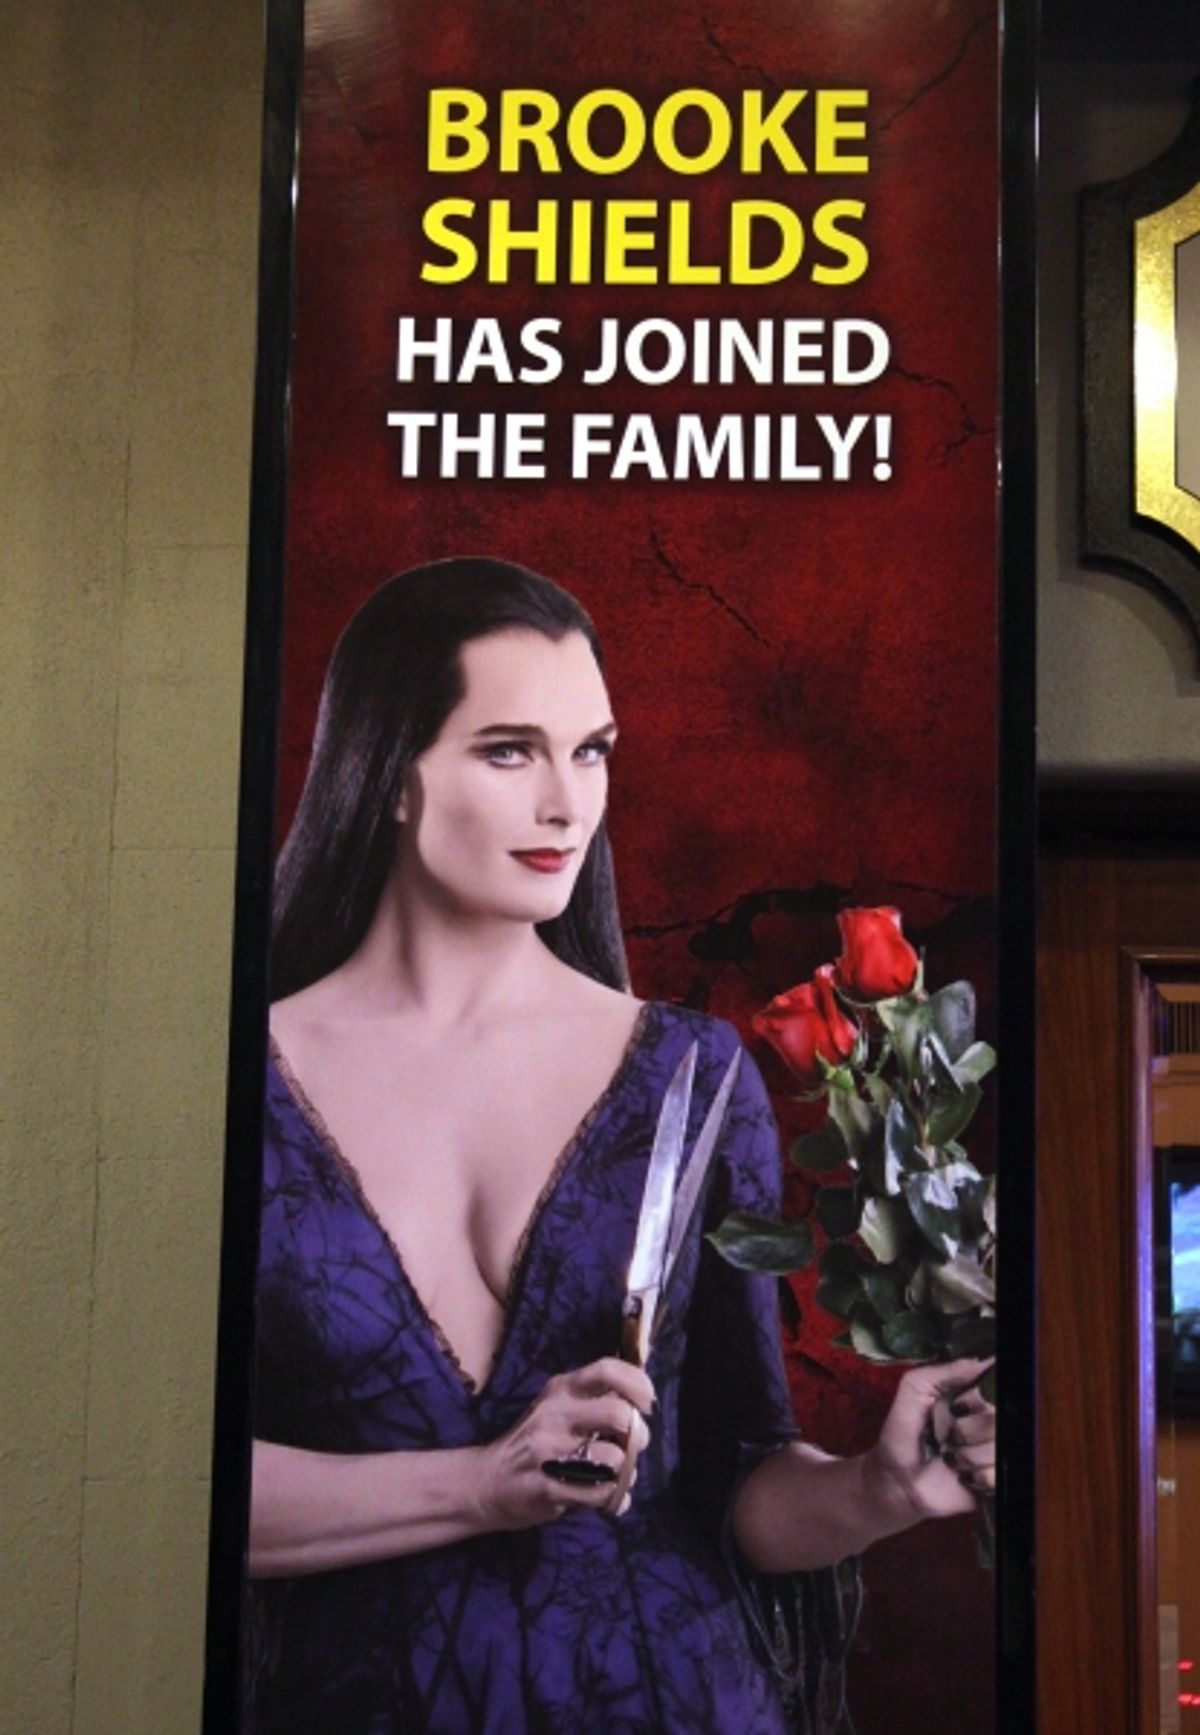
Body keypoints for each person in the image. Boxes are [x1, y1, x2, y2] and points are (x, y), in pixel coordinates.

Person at [248, 556, 995, 1734]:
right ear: (386, 773)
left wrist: (879, 1487)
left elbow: (737, 1479)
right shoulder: (243, 1081)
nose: (568, 803)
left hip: (675, 1695)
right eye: (510, 751)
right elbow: (177, 1488)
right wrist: (478, 1485)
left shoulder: (690, 1074)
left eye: (590, 750)